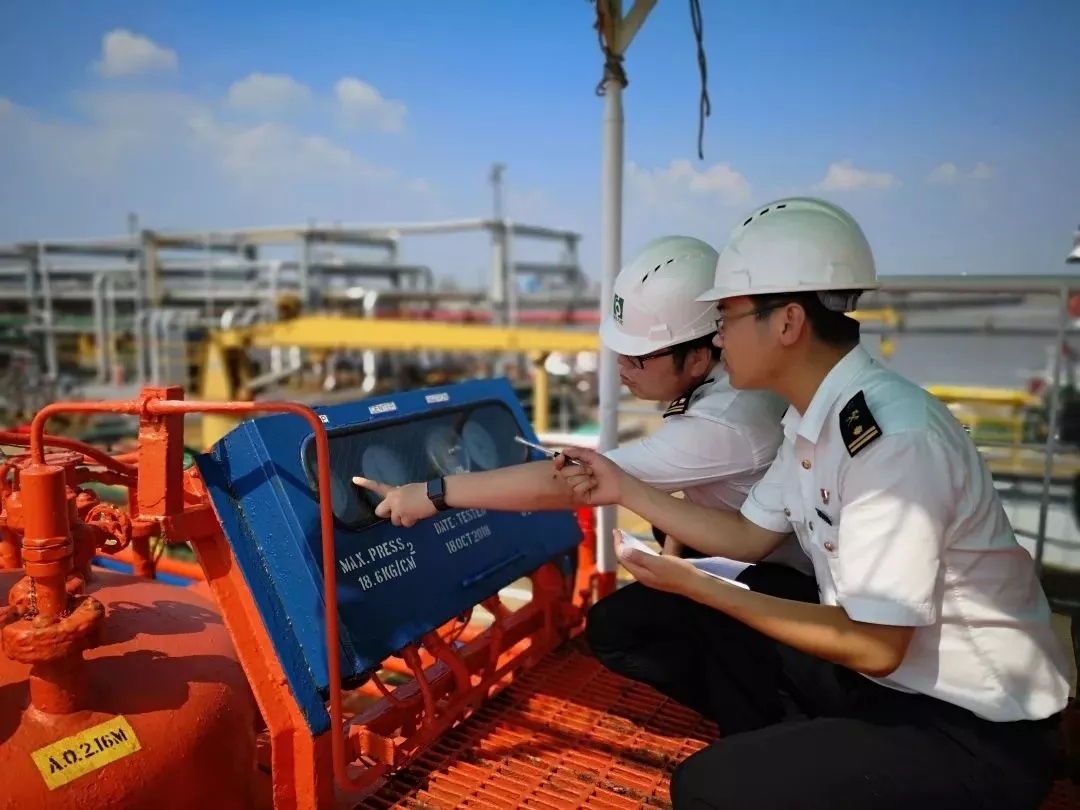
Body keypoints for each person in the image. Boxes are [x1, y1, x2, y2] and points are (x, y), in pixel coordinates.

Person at [555, 196, 1073, 810]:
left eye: (726, 315)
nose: (717, 336)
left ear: (788, 323)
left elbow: (877, 646)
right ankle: (788, 756)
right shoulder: (813, 416)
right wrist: (624, 488)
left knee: (704, 789)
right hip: (889, 683)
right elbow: (749, 537)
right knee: (685, 613)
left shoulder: (891, 442)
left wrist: (699, 585)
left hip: (970, 728)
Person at [353, 234, 816, 714]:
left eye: (638, 358)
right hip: (769, 552)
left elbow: (569, 484)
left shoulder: (722, 422)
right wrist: (674, 560)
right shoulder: (729, 388)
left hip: (788, 588)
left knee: (616, 629)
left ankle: (764, 713)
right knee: (665, 528)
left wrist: (434, 493)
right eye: (619, 351)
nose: (622, 368)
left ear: (699, 357)